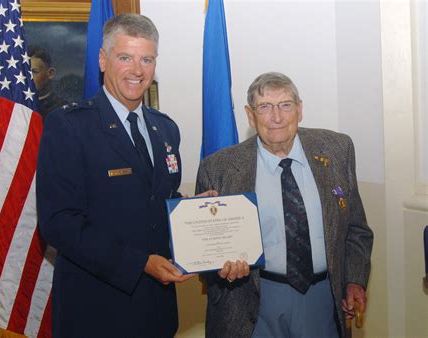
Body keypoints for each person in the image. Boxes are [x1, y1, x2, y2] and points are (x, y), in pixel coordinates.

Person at [37, 14, 214, 337]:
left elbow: (157, 200)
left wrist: (192, 211)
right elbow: (59, 222)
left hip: (156, 311)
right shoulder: (70, 126)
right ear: (103, 60)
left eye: (146, 59)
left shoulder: (165, 128)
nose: (137, 70)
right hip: (96, 311)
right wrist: (140, 263)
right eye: (125, 58)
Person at [196, 72, 374, 338]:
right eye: (265, 107)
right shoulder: (219, 168)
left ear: (299, 109)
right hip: (251, 300)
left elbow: (356, 231)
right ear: (250, 114)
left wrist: (354, 280)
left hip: (322, 298)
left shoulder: (337, 150)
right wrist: (218, 263)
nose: (276, 117)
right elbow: (206, 253)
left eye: (285, 105)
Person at [29, 46, 67, 119]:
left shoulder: (61, 109)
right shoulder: (15, 105)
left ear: (50, 73)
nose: (28, 77)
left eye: (34, 72)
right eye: (24, 72)